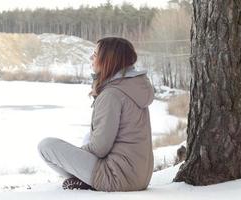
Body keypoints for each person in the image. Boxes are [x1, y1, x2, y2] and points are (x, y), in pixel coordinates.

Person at [38, 37, 154, 192]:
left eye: (95, 54)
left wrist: (75, 158)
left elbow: (100, 148)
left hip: (116, 177)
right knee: (89, 136)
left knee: (46, 146)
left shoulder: (112, 94)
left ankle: (85, 180)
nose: (91, 58)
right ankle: (84, 177)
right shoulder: (133, 87)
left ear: (108, 59)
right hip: (139, 176)